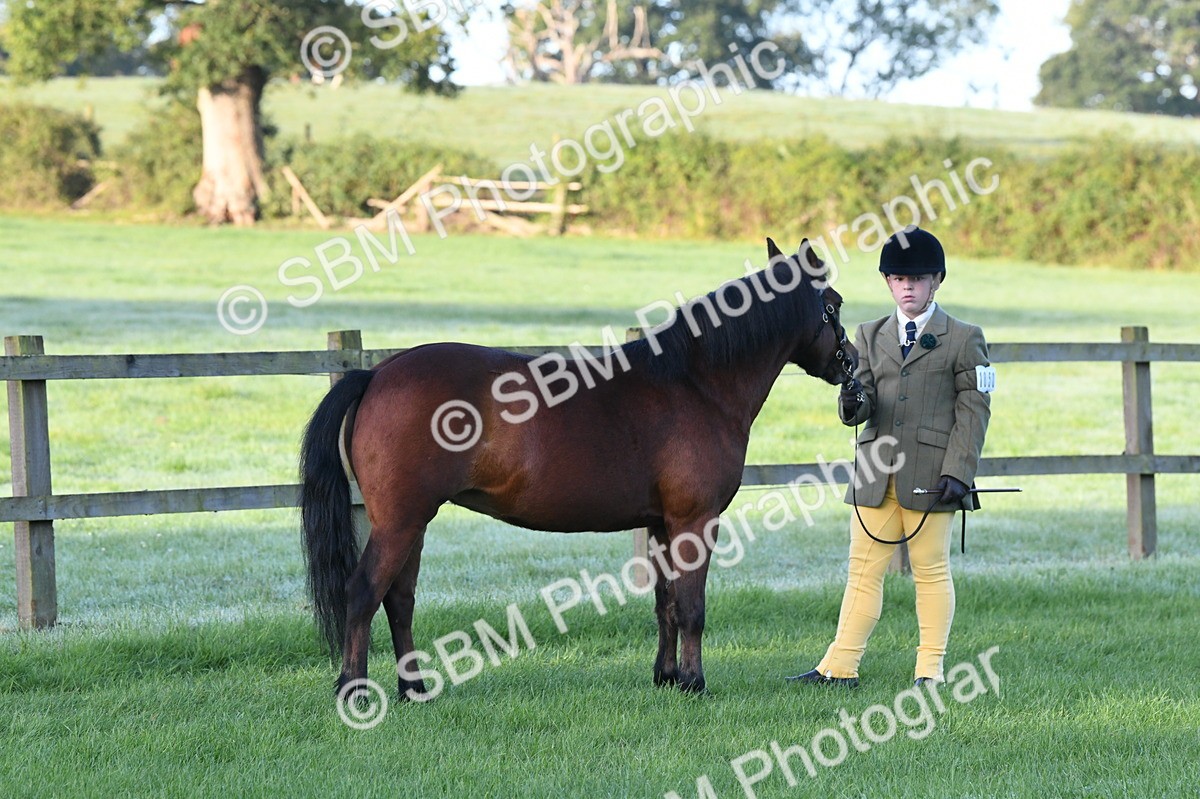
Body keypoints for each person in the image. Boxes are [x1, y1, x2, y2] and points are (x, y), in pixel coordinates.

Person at [789, 225, 991, 687]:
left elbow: (974, 409)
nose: (907, 288)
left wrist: (959, 471)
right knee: (862, 572)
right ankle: (840, 667)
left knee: (931, 571)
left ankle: (930, 670)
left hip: (933, 477)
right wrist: (850, 402)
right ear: (887, 282)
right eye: (898, 279)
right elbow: (862, 406)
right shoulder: (869, 333)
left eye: (916, 279)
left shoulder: (964, 338)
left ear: (936, 280)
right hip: (875, 476)